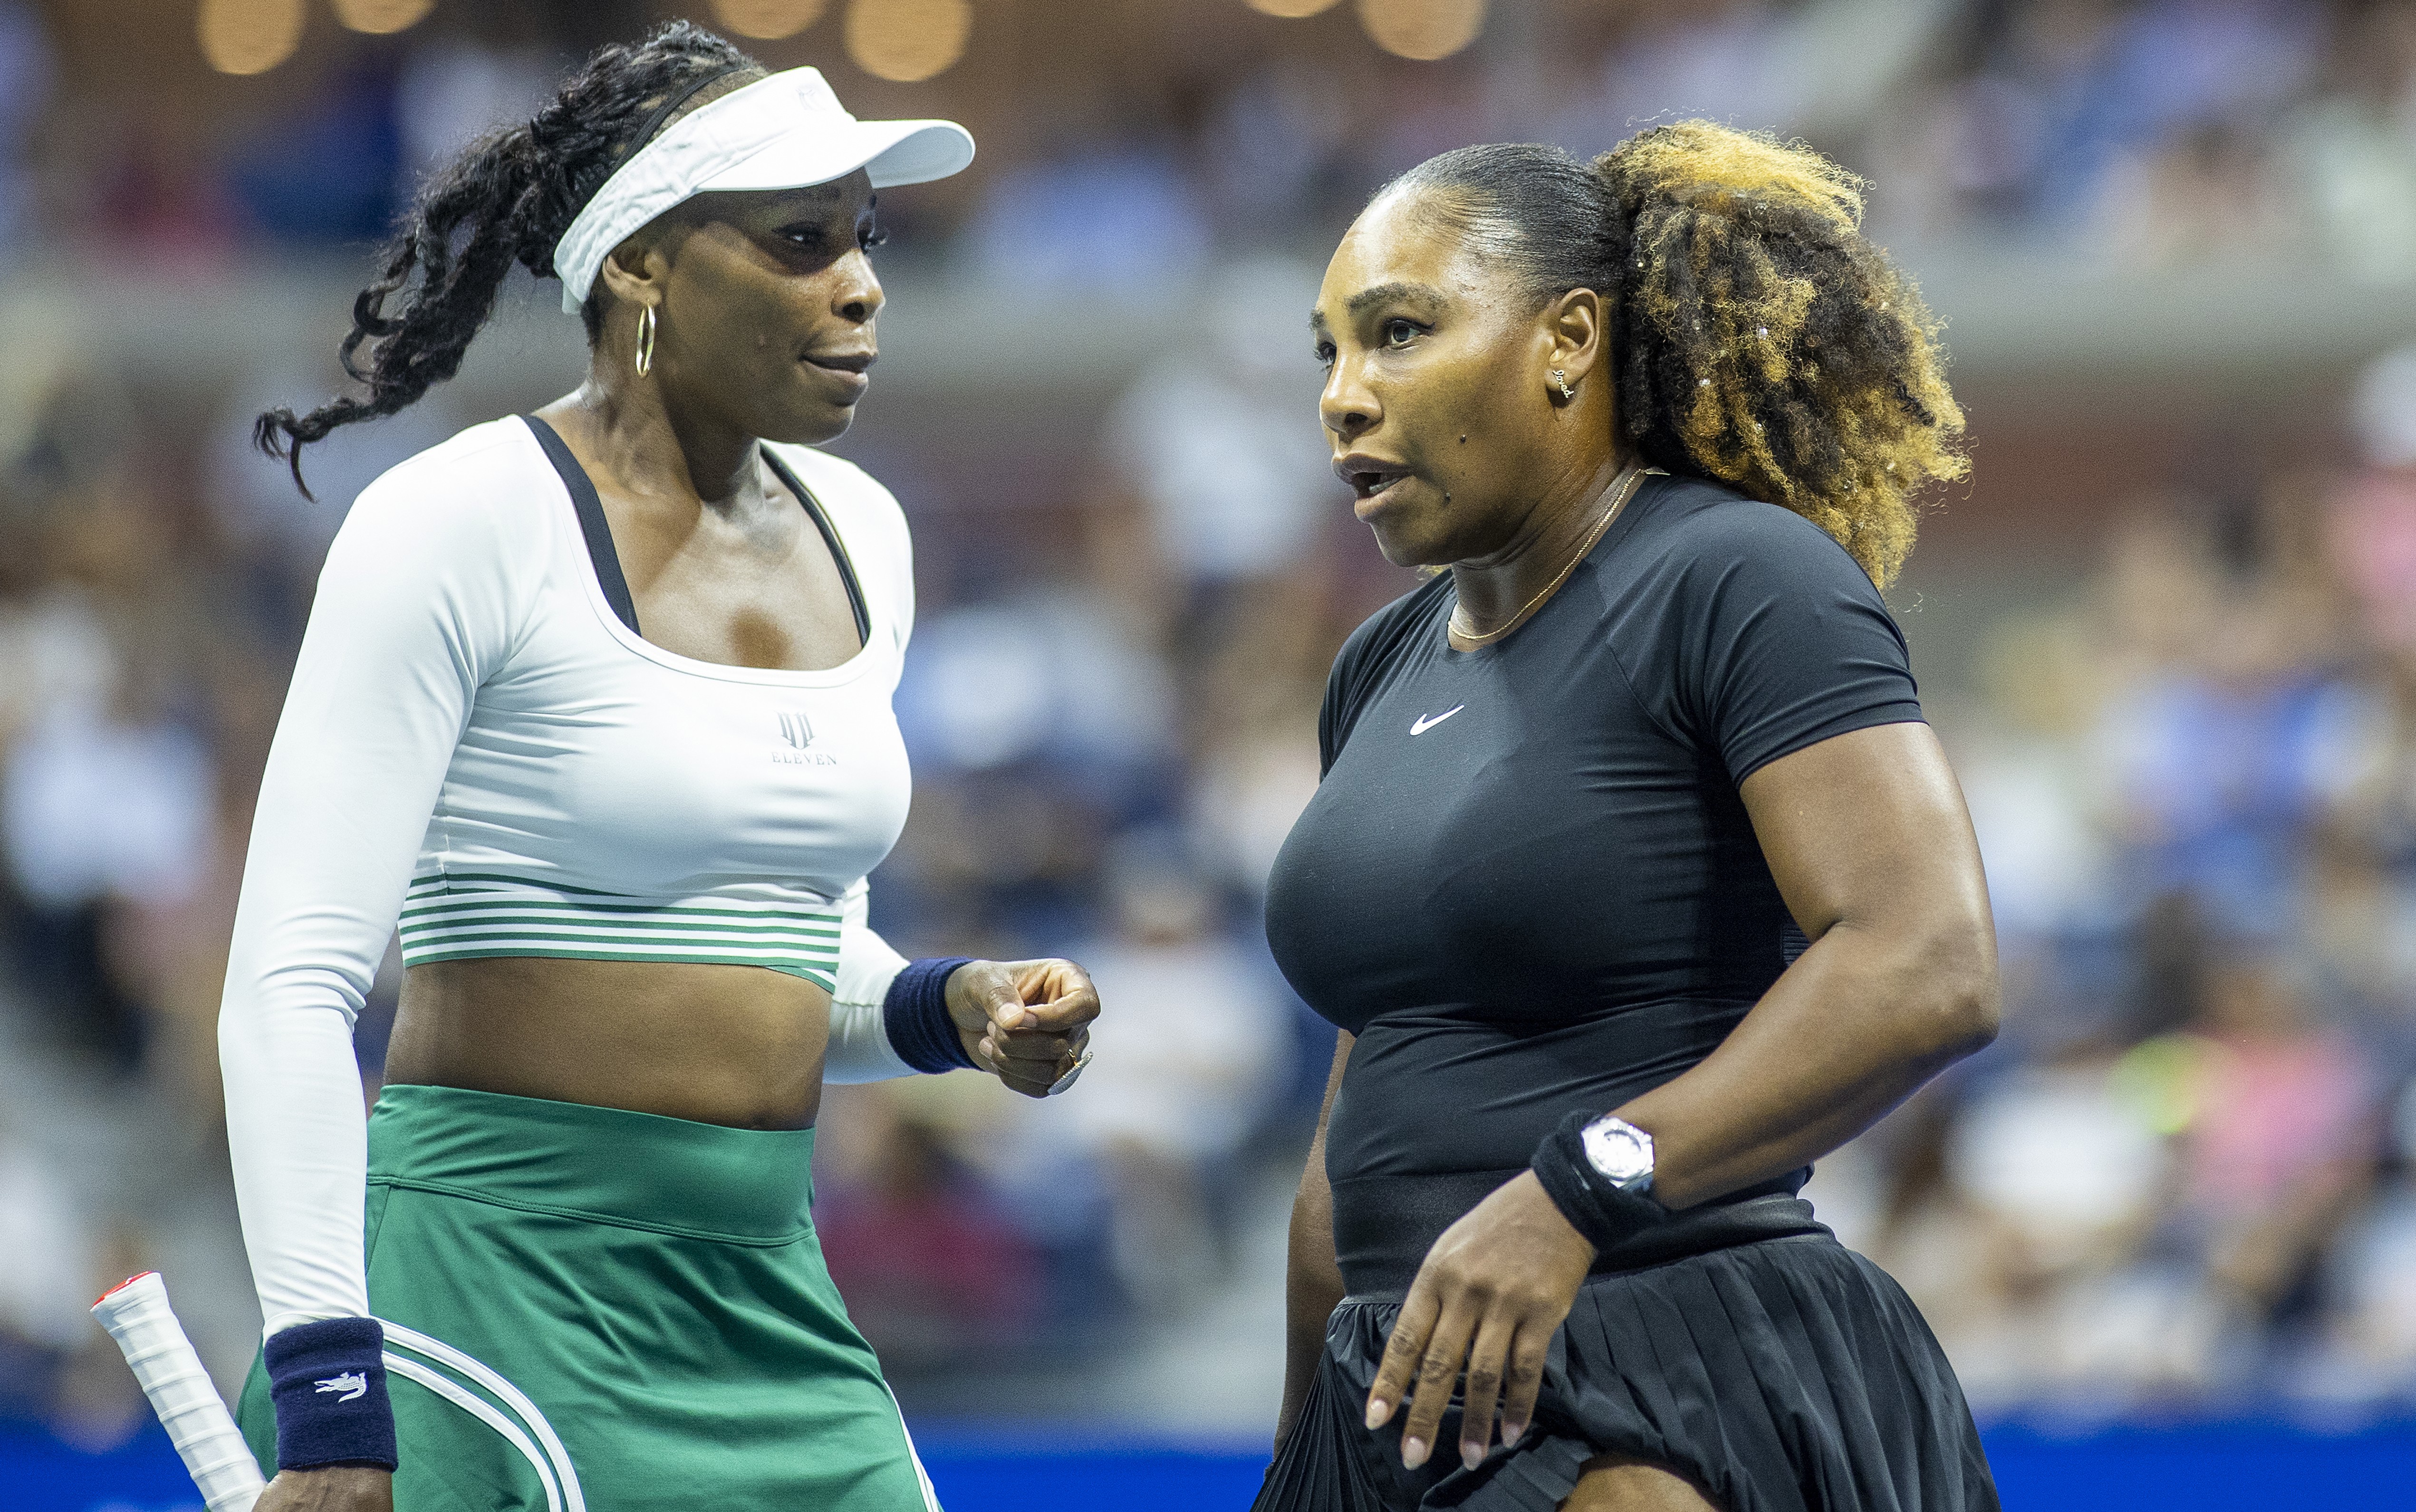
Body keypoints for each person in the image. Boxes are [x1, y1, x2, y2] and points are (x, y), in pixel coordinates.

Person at [219, 24, 1097, 1512]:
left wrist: (943, 1008)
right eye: (800, 242)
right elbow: (290, 992)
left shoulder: (864, 532)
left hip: (770, 1296)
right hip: (487, 1298)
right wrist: (328, 1394)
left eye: (864, 240)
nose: (863, 283)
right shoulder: (458, 521)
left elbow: (768, 947)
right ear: (636, 263)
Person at [1259, 126, 2002, 1512]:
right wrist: (1299, 1442)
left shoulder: (1738, 575)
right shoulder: (1379, 664)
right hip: (1402, 1390)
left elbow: (1925, 964)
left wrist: (1575, 1193)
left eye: (1399, 334)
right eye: (1329, 354)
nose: (1345, 399)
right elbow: (1361, 1107)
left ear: (1568, 340)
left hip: (1670, 1374)